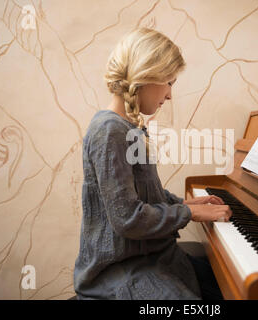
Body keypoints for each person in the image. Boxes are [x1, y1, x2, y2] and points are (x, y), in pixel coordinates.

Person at [73, 27, 232, 300]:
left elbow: (147, 195)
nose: (170, 94)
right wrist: (189, 214)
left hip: (153, 256)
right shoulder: (109, 130)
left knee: (231, 288)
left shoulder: (129, 127)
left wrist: (182, 204)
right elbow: (128, 218)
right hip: (121, 269)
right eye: (169, 82)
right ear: (147, 76)